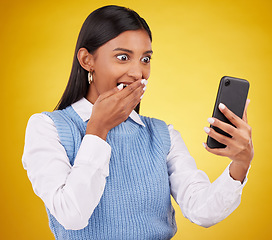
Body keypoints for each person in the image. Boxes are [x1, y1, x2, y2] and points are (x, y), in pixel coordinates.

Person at [22, 5, 254, 240]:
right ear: (87, 60)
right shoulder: (47, 128)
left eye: (145, 59)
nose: (138, 72)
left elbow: (201, 210)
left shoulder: (162, 134)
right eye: (123, 57)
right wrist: (97, 129)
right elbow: (72, 215)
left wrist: (241, 163)